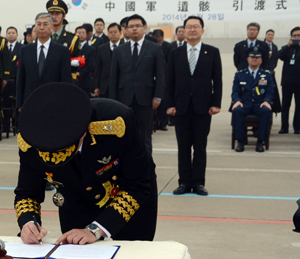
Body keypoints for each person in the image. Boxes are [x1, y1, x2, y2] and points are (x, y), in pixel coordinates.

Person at [14, 83, 157, 245]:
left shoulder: (117, 123)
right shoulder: (32, 138)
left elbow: (138, 185)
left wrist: (95, 230)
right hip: (75, 204)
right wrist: (29, 224)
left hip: (126, 205)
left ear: (83, 133)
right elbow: (27, 192)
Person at [164, 16, 222, 196]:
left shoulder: (212, 52)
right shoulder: (175, 52)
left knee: (200, 146)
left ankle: (198, 183)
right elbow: (169, 81)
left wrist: (216, 103)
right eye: (188, 27)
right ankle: (183, 182)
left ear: (202, 31)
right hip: (180, 107)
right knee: (183, 147)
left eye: (196, 27)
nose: (192, 30)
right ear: (184, 31)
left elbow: (217, 80)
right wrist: (169, 104)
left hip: (203, 107)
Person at [109, 14, 165, 155]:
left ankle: (146, 173)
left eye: (137, 26)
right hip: (123, 99)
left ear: (144, 28)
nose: (134, 29)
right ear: (126, 30)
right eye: (131, 26)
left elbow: (161, 75)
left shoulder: (154, 49)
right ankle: (126, 173)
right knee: (123, 136)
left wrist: (158, 96)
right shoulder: (119, 50)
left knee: (145, 137)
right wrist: (113, 100)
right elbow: (114, 77)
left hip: (145, 99)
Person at [16, 13, 72, 111]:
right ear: (35, 27)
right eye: (39, 24)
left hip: (54, 101)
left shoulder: (62, 51)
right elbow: (21, 78)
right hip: (30, 101)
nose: (42, 27)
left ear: (51, 27)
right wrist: (19, 104)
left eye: (45, 24)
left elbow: (66, 80)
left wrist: (65, 102)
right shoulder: (25, 50)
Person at [231, 48, 275, 152]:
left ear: (261, 60)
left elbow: (270, 91)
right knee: (237, 111)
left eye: (257, 58)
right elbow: (235, 91)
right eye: (252, 57)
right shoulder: (239, 74)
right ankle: (240, 141)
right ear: (248, 59)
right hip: (244, 104)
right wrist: (237, 100)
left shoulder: (267, 75)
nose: (254, 59)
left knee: (266, 111)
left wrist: (266, 101)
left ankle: (260, 142)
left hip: (259, 105)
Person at [277, 26, 300, 134]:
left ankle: (297, 127)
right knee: (285, 106)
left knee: (298, 106)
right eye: (294, 36)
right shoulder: (286, 48)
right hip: (287, 82)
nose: (296, 38)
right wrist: (287, 46)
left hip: (299, 83)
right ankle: (284, 127)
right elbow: (279, 55)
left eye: (299, 36)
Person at [93, 23, 121, 99]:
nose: (113, 34)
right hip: (105, 86)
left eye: (115, 32)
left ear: (120, 33)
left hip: (121, 86)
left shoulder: (125, 48)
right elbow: (98, 68)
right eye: (110, 32)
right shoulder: (101, 48)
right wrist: (96, 86)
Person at [75, 25, 95, 96]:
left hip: (85, 80)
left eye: (83, 33)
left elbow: (90, 65)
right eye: (79, 33)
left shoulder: (91, 49)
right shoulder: (71, 48)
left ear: (86, 35)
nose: (81, 35)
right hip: (73, 80)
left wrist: (80, 73)